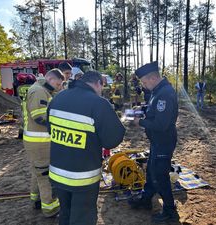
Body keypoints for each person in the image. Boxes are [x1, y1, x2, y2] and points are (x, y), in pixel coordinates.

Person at [47, 71, 125, 225]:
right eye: (102, 86)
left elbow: (51, 130)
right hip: (82, 178)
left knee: (65, 214)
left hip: (57, 174)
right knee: (83, 218)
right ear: (98, 83)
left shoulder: (58, 98)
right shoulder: (99, 103)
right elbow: (112, 140)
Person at [128, 61, 179, 224]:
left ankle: (170, 211)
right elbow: (153, 110)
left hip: (163, 141)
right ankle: (146, 199)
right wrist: (140, 110)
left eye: (144, 82)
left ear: (152, 78)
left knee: (160, 176)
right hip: (157, 141)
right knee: (151, 171)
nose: (143, 85)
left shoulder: (164, 93)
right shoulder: (158, 91)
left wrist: (139, 122)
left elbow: (161, 124)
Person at [23, 69, 64, 217]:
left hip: (37, 141)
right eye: (58, 84)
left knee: (37, 172)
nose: (59, 87)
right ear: (50, 79)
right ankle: (50, 209)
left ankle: (36, 200)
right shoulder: (40, 91)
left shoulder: (41, 90)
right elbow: (39, 116)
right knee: (45, 175)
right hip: (39, 142)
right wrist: (61, 122)